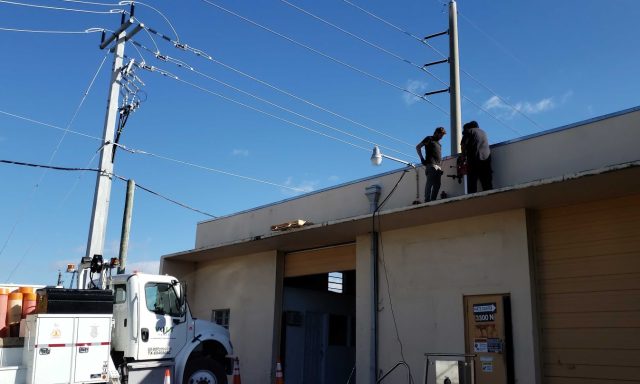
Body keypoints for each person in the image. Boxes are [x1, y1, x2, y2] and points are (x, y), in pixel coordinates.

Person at [416, 127, 447, 202]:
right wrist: (422, 159)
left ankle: (433, 200)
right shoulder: (429, 138)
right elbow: (418, 147)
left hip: (438, 166)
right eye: (440, 135)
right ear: (436, 133)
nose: (441, 137)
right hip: (431, 164)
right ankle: (427, 200)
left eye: (442, 136)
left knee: (437, 185)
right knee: (430, 182)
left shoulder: (439, 144)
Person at [461, 120, 492, 193]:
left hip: (474, 159)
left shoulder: (469, 131)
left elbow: (463, 145)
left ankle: (472, 200)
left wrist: (463, 157)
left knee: (472, 183)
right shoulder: (483, 132)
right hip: (486, 160)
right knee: (486, 183)